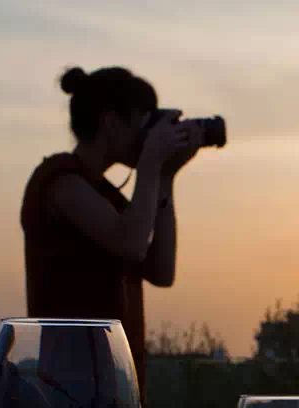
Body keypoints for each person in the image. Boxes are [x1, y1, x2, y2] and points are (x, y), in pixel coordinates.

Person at [20, 66, 202, 383]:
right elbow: (131, 245)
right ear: (111, 122)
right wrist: (150, 163)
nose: (148, 137)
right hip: (73, 392)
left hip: (117, 388)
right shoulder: (58, 180)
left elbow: (161, 271)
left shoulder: (105, 196)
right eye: (144, 124)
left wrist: (165, 177)